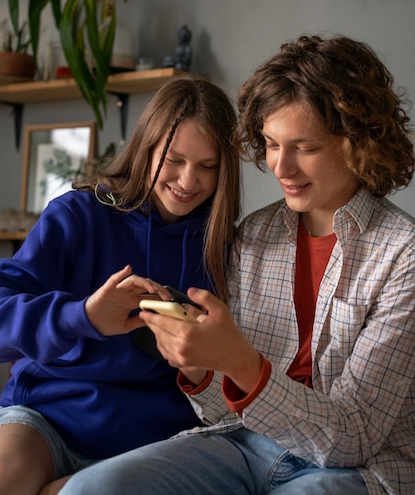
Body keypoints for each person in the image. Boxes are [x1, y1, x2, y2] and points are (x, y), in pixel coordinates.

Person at [59, 34, 415, 495]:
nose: (280, 167)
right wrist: (199, 366)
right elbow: (226, 409)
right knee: (91, 490)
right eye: (270, 144)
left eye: (304, 147)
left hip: (356, 468)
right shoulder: (255, 236)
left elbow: (354, 437)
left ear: (358, 143)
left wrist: (241, 363)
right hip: (246, 444)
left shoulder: (404, 255)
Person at [0, 76, 240, 495]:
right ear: (145, 148)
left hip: (154, 443)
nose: (187, 181)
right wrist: (82, 316)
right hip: (45, 419)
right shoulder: (78, 214)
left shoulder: (229, 248)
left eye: (207, 166)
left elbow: (232, 383)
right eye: (173, 159)